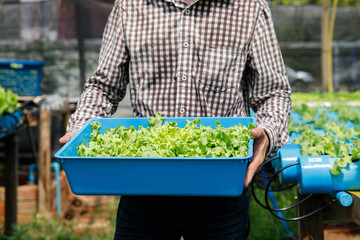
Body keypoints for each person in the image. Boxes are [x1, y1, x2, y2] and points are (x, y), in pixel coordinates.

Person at [59, 0, 291, 239]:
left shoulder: (248, 7)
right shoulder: (131, 5)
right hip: (145, 182)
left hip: (222, 186)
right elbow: (104, 87)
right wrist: (81, 129)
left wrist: (267, 132)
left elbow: (274, 93)